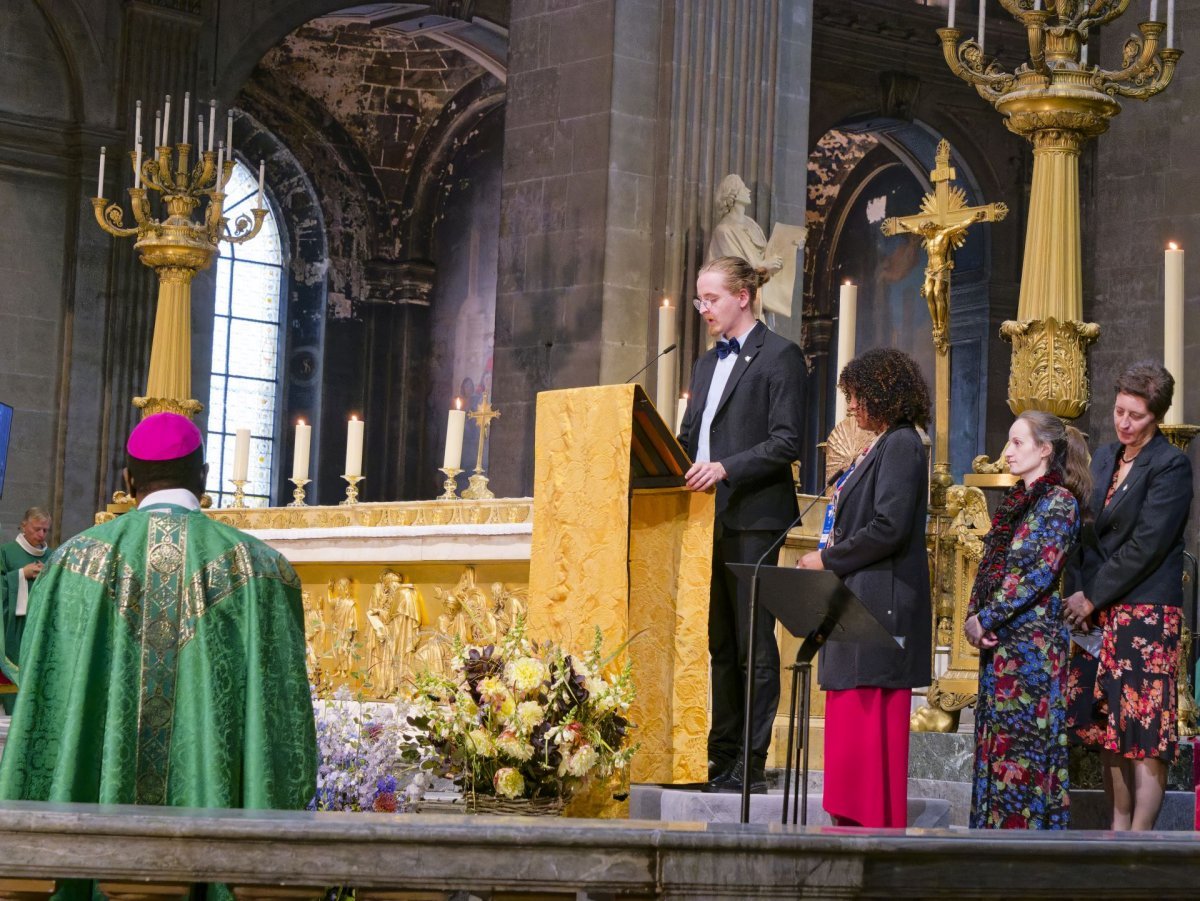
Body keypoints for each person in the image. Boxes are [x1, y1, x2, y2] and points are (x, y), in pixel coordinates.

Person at [0, 412, 316, 818]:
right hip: (218, 838)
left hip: (93, 836)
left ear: (128, 481)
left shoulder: (71, 565)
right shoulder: (262, 570)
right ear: (203, 477)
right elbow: (284, 726)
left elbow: (45, 703)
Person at [677, 255, 805, 794]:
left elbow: (786, 441)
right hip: (708, 517)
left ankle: (750, 762)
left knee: (754, 643)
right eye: (700, 300)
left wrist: (726, 466)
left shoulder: (781, 356)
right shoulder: (707, 364)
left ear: (742, 297)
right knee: (720, 644)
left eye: (711, 299)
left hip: (754, 516)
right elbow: (690, 437)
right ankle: (720, 754)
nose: (703, 309)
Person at [797, 347, 931, 827]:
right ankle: (851, 826)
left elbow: (889, 527)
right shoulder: (882, 444)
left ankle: (867, 833)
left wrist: (826, 558)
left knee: (867, 726)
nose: (850, 407)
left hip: (880, 604)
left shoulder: (901, 444)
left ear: (883, 394)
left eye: (856, 396)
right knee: (851, 724)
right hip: (861, 598)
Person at [1065, 360, 1193, 831]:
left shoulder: (1171, 465)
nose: (1124, 423)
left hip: (1144, 611)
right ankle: (1116, 831)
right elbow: (1082, 530)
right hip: (1097, 610)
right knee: (1108, 729)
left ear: (1155, 418)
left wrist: (1091, 597)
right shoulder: (1102, 458)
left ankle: (1141, 841)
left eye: (1135, 416)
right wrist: (1077, 593)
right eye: (1120, 410)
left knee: (1143, 729)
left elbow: (1147, 545)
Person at [965, 411, 1090, 829]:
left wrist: (986, 617)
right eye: (1009, 442)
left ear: (1044, 449)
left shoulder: (1060, 503)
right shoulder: (1017, 502)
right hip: (1002, 648)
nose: (1007, 452)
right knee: (997, 749)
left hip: (1032, 652)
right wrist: (973, 616)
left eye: (1018, 443)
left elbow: (1037, 574)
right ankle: (991, 844)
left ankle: (1028, 848)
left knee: (1027, 751)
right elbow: (992, 568)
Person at [0, 506, 52, 676]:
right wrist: (22, 574)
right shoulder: (6, 552)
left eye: (45, 530)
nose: (41, 535)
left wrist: (50, 576)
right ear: (23, 526)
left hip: (40, 623)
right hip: (13, 625)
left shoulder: (52, 556)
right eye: (37, 529)